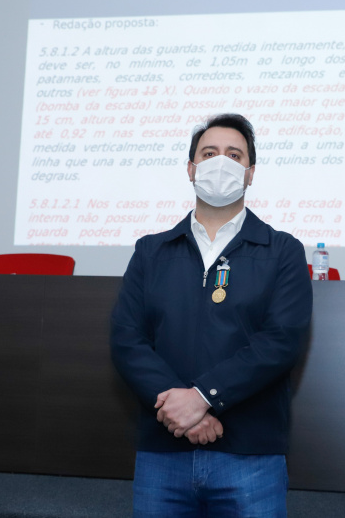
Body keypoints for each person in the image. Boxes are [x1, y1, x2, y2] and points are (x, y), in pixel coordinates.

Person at [111, 113, 313, 517]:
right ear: (191, 168)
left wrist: (204, 398)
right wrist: (182, 410)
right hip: (162, 452)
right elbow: (127, 339)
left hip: (250, 455)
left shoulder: (282, 251)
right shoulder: (151, 251)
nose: (221, 162)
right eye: (210, 153)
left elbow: (280, 341)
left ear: (250, 173)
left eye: (234, 154)